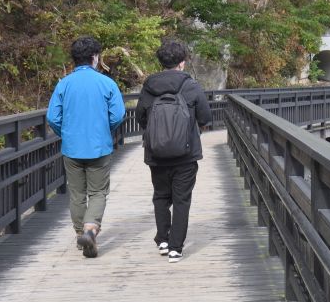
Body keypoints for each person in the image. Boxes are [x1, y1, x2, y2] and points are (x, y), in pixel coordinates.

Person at [46, 35, 126, 259]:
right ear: (95, 57)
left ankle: (81, 234)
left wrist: (66, 134)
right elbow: (118, 114)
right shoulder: (106, 83)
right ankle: (91, 230)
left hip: (72, 147)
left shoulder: (64, 84)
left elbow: (53, 117)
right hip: (99, 147)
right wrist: (104, 130)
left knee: (77, 193)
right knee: (98, 192)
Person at [137, 39, 211, 261]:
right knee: (181, 200)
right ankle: (175, 248)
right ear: (182, 62)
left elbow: (141, 117)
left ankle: (162, 239)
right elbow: (205, 117)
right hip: (186, 155)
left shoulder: (149, 86)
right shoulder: (191, 85)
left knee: (161, 195)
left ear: (161, 62)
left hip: (156, 154)